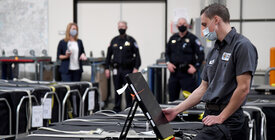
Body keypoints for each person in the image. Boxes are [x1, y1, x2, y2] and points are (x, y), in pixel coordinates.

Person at [163, 3, 258, 140]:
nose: (203, 30)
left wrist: (221, 117)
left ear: (216, 20)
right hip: (210, 116)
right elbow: (203, 88)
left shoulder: (242, 46)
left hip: (228, 121)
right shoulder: (214, 50)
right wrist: (176, 110)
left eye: (204, 24)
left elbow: (243, 88)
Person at [105, 21, 141, 113]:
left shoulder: (131, 40)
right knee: (117, 89)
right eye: (119, 26)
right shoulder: (114, 40)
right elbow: (108, 56)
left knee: (128, 90)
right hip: (116, 69)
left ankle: (128, 108)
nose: (121, 28)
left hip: (127, 69)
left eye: (123, 26)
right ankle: (117, 108)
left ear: (126, 27)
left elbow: (137, 56)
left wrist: (136, 68)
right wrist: (107, 68)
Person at [166, 17, 205, 102]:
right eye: (180, 24)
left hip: (187, 74)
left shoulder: (193, 38)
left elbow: (201, 55)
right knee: (172, 99)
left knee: (190, 100)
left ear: (187, 25)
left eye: (184, 24)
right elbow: (167, 53)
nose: (182, 26)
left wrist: (195, 67)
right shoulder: (173, 38)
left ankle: (191, 115)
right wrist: (168, 63)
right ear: (177, 26)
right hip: (174, 73)